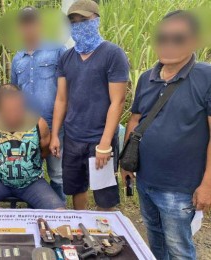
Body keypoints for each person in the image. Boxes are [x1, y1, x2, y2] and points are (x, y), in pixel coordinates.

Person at [122, 11, 211, 260]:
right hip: (145, 180)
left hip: (180, 186)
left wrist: (207, 184)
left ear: (193, 41)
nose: (168, 44)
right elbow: (136, 119)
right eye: (162, 37)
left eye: (178, 38)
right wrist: (126, 163)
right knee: (155, 239)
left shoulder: (206, 77)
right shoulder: (145, 78)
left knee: (179, 248)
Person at [50, 0, 129, 210]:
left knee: (104, 196)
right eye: (73, 21)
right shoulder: (67, 58)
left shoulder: (113, 54)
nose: (78, 25)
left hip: (99, 138)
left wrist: (104, 144)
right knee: (77, 189)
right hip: (73, 137)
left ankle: (105, 235)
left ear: (96, 21)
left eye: (84, 20)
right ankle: (80, 230)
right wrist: (55, 134)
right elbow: (61, 99)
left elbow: (117, 101)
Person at [0, 84, 65, 210]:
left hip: (32, 182)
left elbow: (44, 150)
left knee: (59, 212)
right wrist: (2, 165)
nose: (13, 114)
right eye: (8, 110)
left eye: (17, 109)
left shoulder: (39, 124)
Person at [11, 6, 66, 203]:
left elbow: (65, 90)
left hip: (55, 128)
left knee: (58, 174)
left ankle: (59, 216)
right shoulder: (18, 59)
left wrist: (57, 131)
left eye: (32, 23)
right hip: (28, 130)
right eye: (24, 25)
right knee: (29, 174)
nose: (29, 29)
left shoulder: (57, 50)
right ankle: (34, 218)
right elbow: (15, 95)